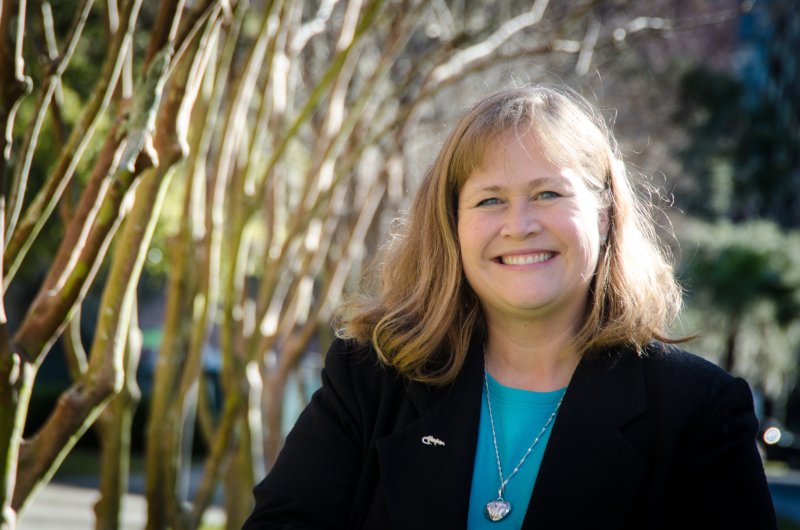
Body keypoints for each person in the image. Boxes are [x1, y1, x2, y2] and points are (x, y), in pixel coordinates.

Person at [242, 86, 777, 529]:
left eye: (548, 194)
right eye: (490, 200)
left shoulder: (699, 411)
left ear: (606, 215)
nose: (519, 225)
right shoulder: (370, 378)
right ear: (453, 226)